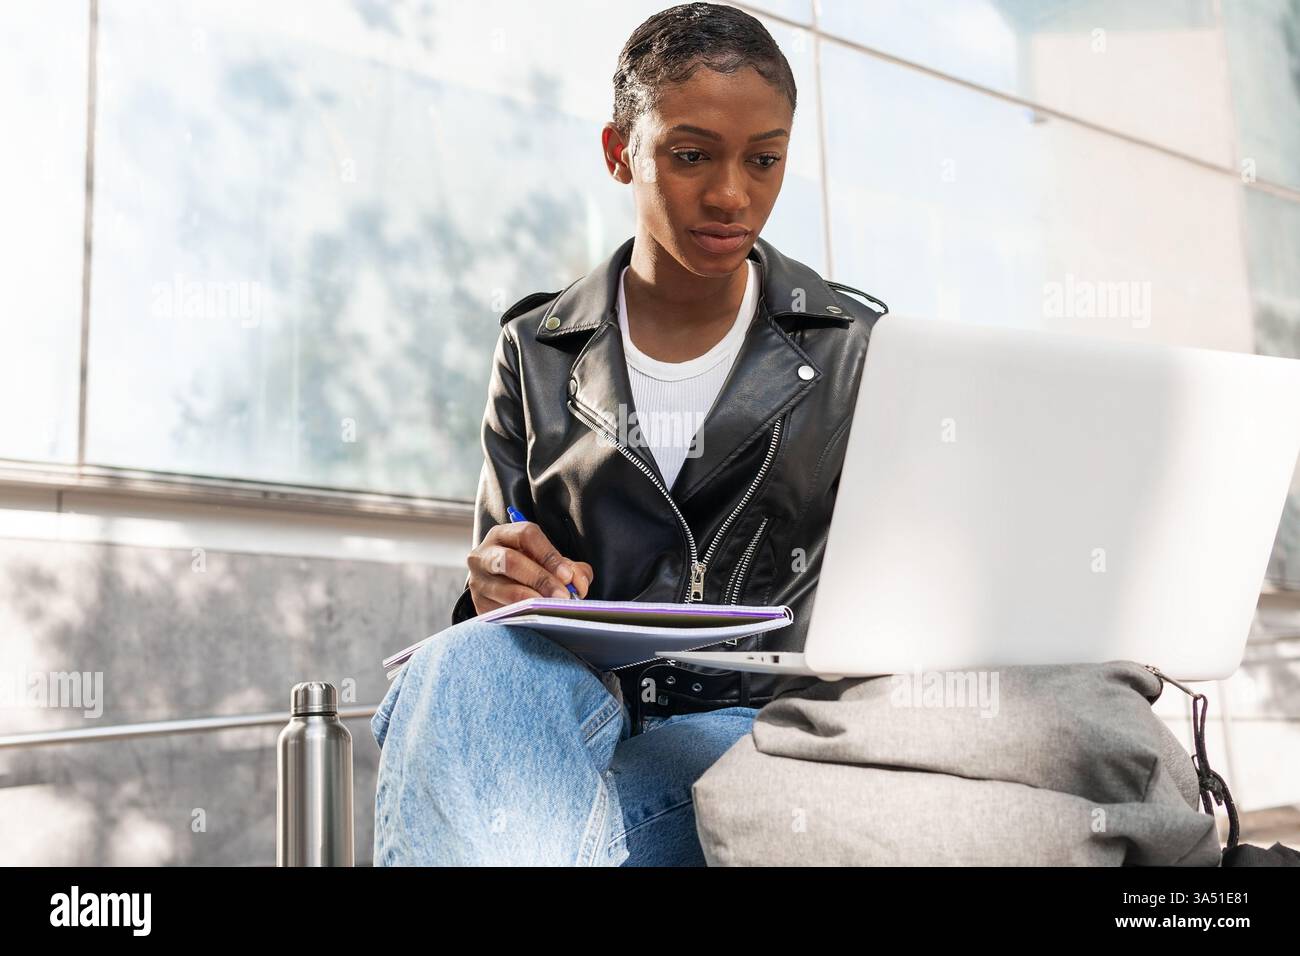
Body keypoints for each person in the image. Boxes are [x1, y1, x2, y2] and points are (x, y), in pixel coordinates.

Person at [372, 1, 888, 866]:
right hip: (574, 720)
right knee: (464, 669)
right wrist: (500, 584)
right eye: (691, 156)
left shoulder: (856, 348)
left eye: (765, 160)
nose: (732, 194)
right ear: (620, 153)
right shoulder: (535, 350)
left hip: (763, 740)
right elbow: (501, 584)